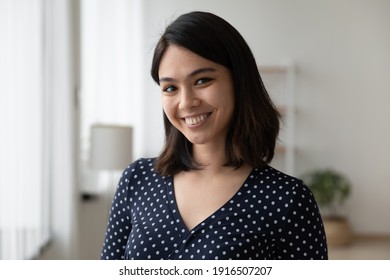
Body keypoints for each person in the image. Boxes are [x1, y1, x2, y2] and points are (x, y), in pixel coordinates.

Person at [100, 11, 328, 260]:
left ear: (239, 80)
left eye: (202, 80)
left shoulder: (287, 200)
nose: (186, 103)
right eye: (170, 88)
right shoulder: (137, 180)